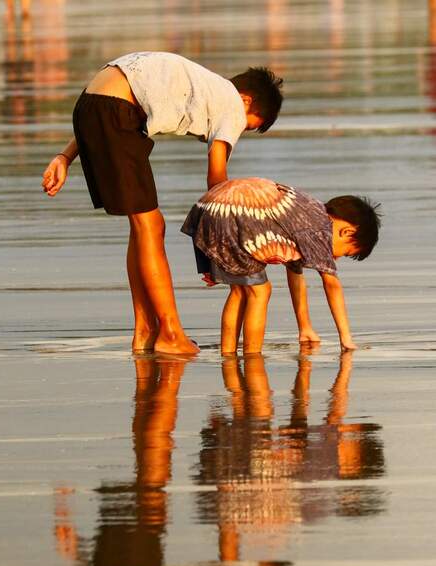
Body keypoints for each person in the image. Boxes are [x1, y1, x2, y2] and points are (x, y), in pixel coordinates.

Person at [41, 52, 284, 354]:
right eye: (248, 127)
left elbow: (103, 99)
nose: (239, 132)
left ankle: (145, 330)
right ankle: (170, 333)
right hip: (117, 110)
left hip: (92, 105)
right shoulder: (232, 105)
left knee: (143, 227)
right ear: (247, 101)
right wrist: (233, 229)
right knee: (151, 225)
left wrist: (66, 156)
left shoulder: (204, 84)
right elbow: (216, 176)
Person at [181, 177, 381, 354]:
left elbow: (295, 272)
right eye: (345, 253)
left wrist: (305, 327)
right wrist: (346, 338)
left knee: (240, 291)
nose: (336, 260)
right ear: (346, 232)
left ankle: (228, 352)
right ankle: (252, 355)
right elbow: (332, 285)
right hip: (233, 213)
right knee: (260, 291)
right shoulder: (320, 230)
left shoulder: (306, 213)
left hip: (212, 206)